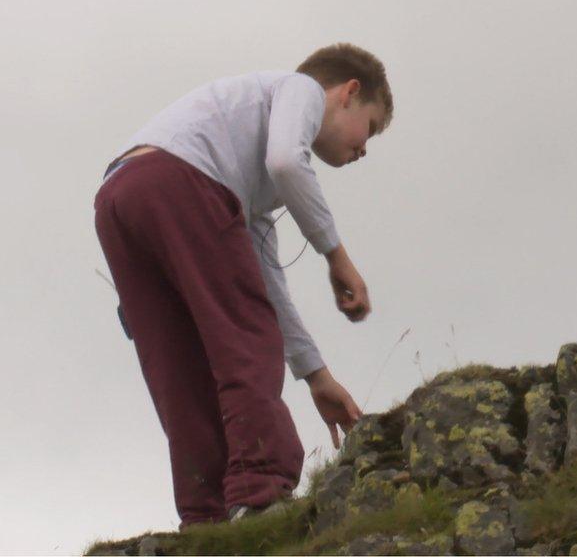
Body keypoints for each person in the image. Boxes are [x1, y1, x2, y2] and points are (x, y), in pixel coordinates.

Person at [93, 42, 393, 530]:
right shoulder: (300, 90)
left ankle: (204, 517)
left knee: (179, 366)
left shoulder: (243, 177)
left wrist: (316, 375)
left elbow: (266, 285)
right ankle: (259, 494)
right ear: (347, 93)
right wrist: (336, 256)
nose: (363, 148)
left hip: (118, 196)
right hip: (182, 181)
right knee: (246, 343)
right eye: (371, 128)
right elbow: (287, 162)